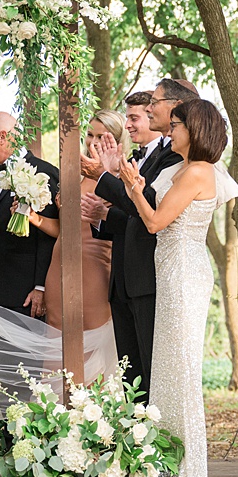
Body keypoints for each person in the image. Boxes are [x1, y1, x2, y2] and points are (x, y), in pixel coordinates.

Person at [117, 98, 238, 477]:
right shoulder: (187, 169)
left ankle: (185, 463)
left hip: (183, 270)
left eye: (176, 127)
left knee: (181, 366)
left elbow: (154, 222)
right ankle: (166, 458)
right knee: (168, 364)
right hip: (170, 268)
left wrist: (132, 188)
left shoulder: (198, 171)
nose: (170, 133)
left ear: (195, 130)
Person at [82, 81, 197, 395]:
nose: (148, 110)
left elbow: (149, 208)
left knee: (150, 372)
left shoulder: (177, 156)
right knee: (132, 377)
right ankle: (137, 438)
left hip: (149, 276)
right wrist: (104, 218)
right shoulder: (149, 154)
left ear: (174, 106)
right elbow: (135, 213)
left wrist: (105, 176)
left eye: (153, 105)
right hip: (124, 277)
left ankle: (150, 440)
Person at [44, 109, 122, 381]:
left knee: (92, 335)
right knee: (56, 329)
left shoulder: (118, 175)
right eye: (90, 135)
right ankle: (52, 410)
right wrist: (33, 217)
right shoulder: (77, 174)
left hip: (93, 265)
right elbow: (64, 229)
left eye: (102, 136)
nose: (93, 142)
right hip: (59, 262)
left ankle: (92, 413)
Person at [0, 111, 59, 317]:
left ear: (3, 137)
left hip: (24, 293)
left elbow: (51, 234)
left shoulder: (43, 173)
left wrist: (41, 286)